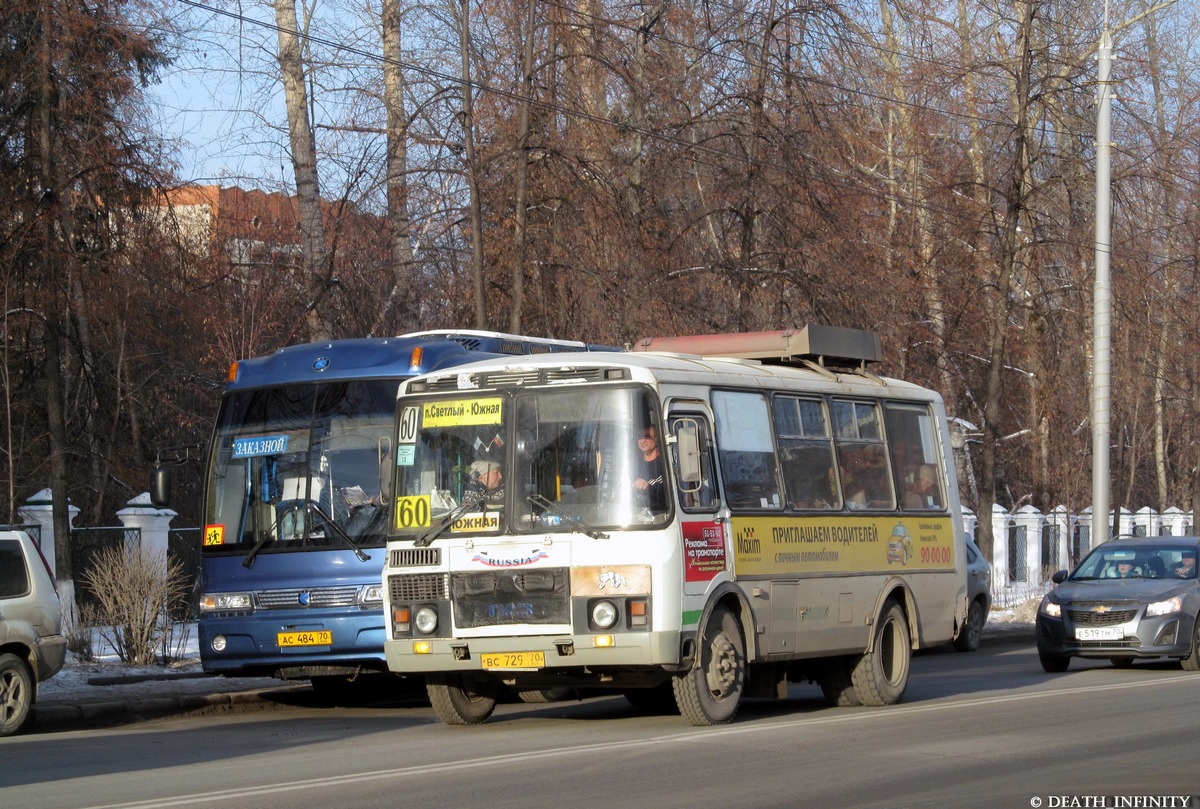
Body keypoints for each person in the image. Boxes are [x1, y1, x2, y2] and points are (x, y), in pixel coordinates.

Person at [633, 426, 667, 512]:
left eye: (647, 436)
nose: (642, 440)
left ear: (656, 438)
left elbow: (670, 491)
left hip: (661, 515)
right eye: (639, 437)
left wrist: (648, 487)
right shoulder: (633, 463)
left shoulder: (667, 463)